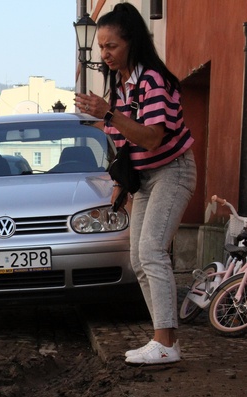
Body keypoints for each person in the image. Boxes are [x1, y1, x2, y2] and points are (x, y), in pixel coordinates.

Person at [74, 3, 196, 365]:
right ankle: (165, 340)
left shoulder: (151, 80)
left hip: (172, 171)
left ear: (131, 42)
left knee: (152, 251)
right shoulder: (124, 86)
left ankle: (165, 342)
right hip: (146, 178)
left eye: (111, 46)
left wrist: (108, 113)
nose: (104, 54)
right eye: (101, 47)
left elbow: (153, 137)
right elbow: (128, 145)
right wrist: (121, 182)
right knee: (139, 257)